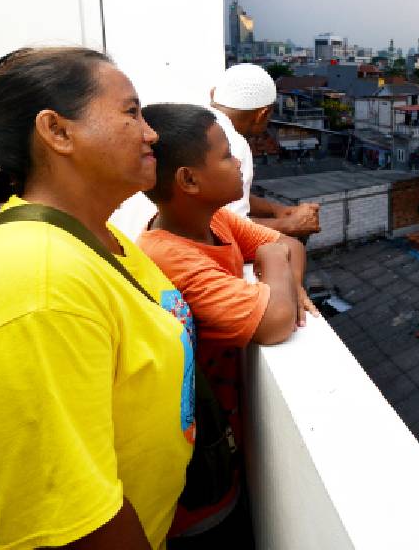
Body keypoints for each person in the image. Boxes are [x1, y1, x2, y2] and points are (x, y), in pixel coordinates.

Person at [0, 47, 195, 550]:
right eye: (131, 112)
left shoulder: (96, 240)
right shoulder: (34, 290)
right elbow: (69, 533)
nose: (151, 133)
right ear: (57, 131)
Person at [136, 103, 316, 543]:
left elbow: (291, 243)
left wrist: (286, 277)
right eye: (225, 156)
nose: (239, 163)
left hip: (227, 439)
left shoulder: (213, 220)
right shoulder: (170, 256)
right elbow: (275, 317)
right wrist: (276, 267)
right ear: (189, 180)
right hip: (198, 477)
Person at [209, 63, 320, 237]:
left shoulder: (200, 121)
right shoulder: (234, 144)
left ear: (213, 94)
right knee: (289, 248)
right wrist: (288, 225)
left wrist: (277, 210)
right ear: (262, 114)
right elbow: (228, 228)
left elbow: (229, 200)